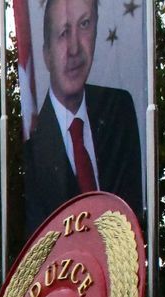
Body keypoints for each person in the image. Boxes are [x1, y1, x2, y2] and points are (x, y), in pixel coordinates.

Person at [23, 0, 142, 233]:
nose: (74, 48)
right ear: (47, 54)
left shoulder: (120, 109)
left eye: (85, 24)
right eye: (64, 33)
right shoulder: (30, 149)